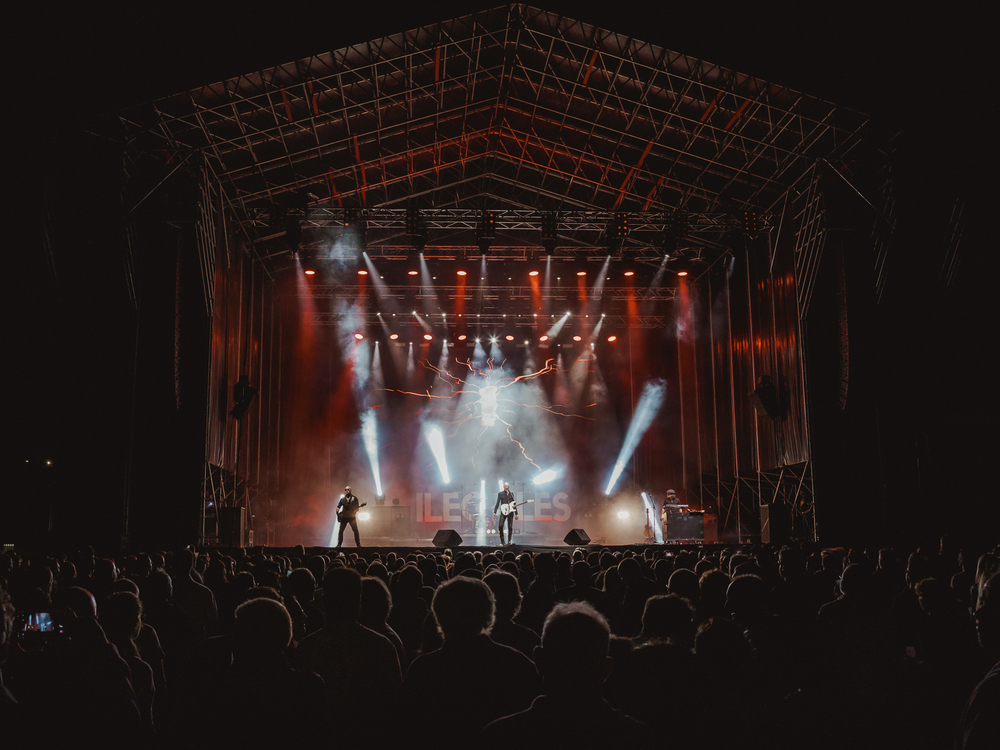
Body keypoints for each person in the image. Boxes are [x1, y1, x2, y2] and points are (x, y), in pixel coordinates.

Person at [493, 482, 517, 546]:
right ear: (503, 486)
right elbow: (497, 503)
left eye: (508, 486)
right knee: (500, 525)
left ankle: (509, 541)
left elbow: (514, 504)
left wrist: (516, 514)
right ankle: (502, 541)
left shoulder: (511, 494)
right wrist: (494, 512)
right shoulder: (500, 494)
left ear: (509, 487)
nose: (506, 487)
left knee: (510, 527)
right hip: (503, 512)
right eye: (505, 486)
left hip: (510, 512)